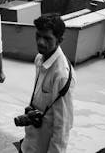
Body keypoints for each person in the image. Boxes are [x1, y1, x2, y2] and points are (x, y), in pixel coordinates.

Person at [19, 14, 75, 153]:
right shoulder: (39, 59)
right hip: (29, 142)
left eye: (47, 39)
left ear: (59, 40)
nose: (41, 42)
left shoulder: (61, 75)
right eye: (38, 36)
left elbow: (63, 127)